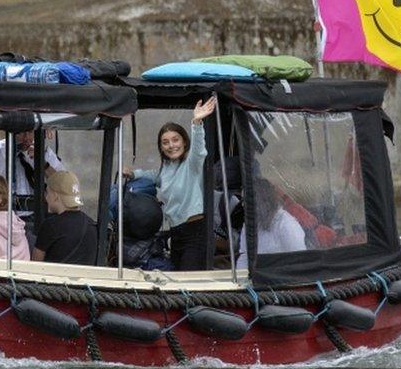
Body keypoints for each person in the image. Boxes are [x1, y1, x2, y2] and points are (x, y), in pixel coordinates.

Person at [123, 98, 216, 270]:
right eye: (165, 142)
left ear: (184, 142)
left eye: (175, 140)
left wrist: (197, 123)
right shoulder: (166, 168)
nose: (171, 145)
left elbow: (199, 150)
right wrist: (133, 173)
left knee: (187, 282)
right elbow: (154, 176)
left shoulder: (192, 164)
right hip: (175, 233)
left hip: (194, 231)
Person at [0, 130, 65, 198]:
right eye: (21, 133)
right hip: (3, 219)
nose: (27, 138)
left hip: (37, 217)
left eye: (30, 132)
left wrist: (43, 164)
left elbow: (64, 187)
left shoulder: (45, 153)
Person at [32, 171, 97, 265]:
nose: (46, 198)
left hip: (54, 278)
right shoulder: (91, 224)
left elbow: (35, 264)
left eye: (47, 192)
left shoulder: (51, 225)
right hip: (85, 279)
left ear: (55, 196)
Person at [237, 179, 306, 268]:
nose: (243, 205)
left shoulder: (286, 224)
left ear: (261, 201)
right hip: (257, 277)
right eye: (243, 201)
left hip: (282, 277)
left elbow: (299, 260)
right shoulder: (249, 225)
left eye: (247, 201)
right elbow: (244, 256)